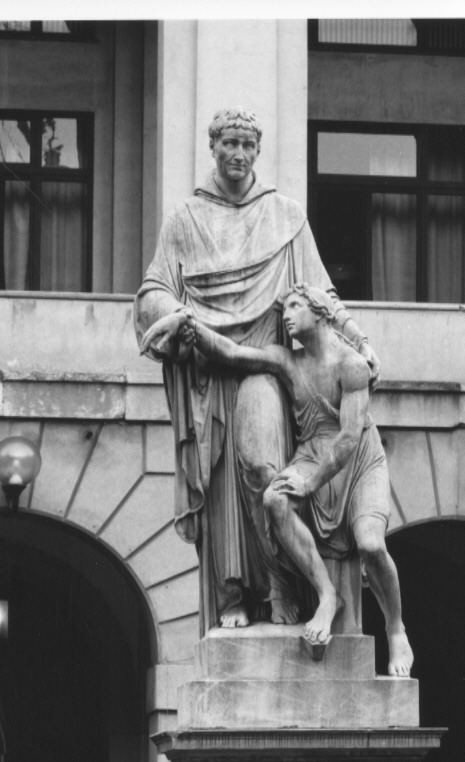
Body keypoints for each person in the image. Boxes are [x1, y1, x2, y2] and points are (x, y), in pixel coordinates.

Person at [135, 107, 379, 633]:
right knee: (224, 485)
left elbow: (322, 294)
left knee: (264, 470)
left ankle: (279, 583)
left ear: (258, 151)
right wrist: (171, 315)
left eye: (248, 145)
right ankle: (233, 595)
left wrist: (358, 338)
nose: (239, 154)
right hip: (209, 375)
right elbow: (154, 290)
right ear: (213, 147)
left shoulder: (284, 215)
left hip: (268, 368)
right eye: (230, 144)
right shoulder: (185, 220)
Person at [140, 284, 413, 677]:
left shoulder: (351, 365)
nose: (286, 315)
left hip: (357, 461)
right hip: (312, 454)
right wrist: (192, 328)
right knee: (274, 499)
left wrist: (310, 482)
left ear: (319, 312)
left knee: (371, 543)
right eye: (284, 307)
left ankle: (396, 628)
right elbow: (234, 354)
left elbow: (350, 437)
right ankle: (326, 593)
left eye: (296, 306)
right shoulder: (288, 361)